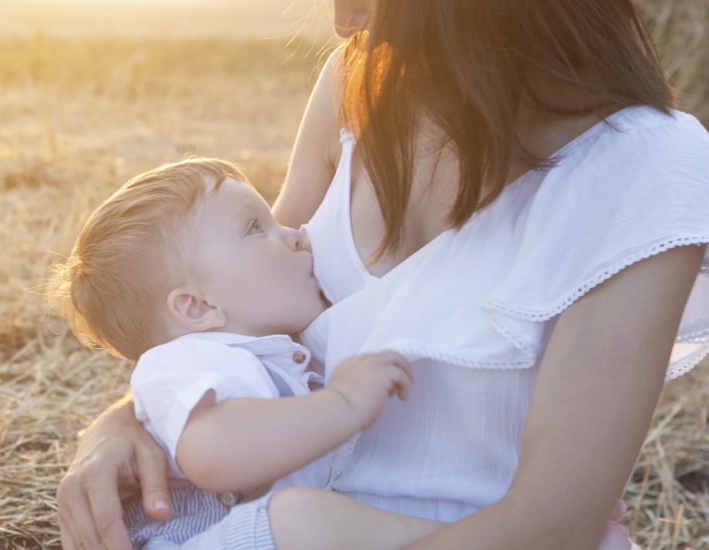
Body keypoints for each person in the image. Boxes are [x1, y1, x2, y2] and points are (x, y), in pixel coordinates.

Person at [56, 1, 709, 548]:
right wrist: (119, 426)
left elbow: (550, 528)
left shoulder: (644, 167)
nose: (342, 22)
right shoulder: (355, 83)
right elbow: (226, 322)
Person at [47, 157, 450, 548]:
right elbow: (211, 451)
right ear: (197, 307)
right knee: (297, 517)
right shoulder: (186, 359)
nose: (297, 235)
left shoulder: (261, 355)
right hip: (193, 539)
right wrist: (343, 403)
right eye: (255, 227)